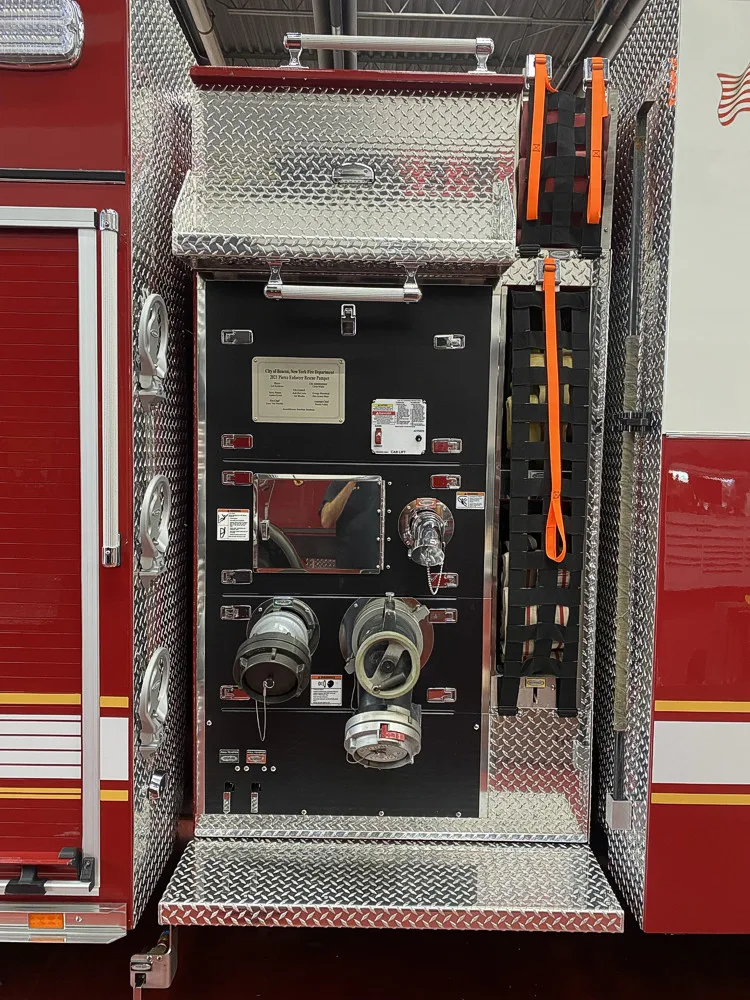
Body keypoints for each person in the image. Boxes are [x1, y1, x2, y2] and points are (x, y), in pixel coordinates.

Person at [320, 479, 380, 570]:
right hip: (348, 566)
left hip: (379, 564)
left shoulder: (381, 482)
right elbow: (326, 521)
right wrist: (352, 482)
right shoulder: (340, 482)